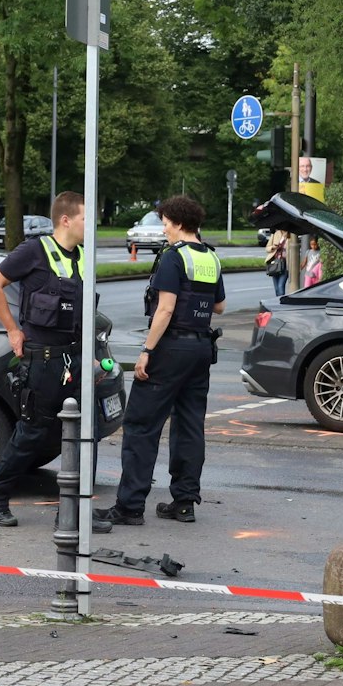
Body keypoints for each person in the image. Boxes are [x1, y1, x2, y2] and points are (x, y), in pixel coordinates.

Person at [95, 194, 224, 529]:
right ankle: (184, 503)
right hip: (200, 350)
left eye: (165, 222)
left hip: (170, 350)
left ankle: (130, 506)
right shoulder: (211, 257)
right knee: (189, 425)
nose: (164, 228)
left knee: (140, 424)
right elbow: (219, 306)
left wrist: (147, 351)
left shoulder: (173, 257)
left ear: (179, 223)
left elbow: (165, 309)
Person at [0, 191, 90, 527]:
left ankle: (72, 512)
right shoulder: (34, 251)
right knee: (32, 433)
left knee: (84, 435)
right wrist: (13, 330)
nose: (92, 227)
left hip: (75, 360)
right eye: (87, 219)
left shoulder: (84, 256)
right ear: (66, 220)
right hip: (42, 361)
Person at [264, 228, 291, 299]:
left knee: (280, 286)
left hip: (285, 264)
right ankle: (278, 303)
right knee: (276, 288)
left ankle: (282, 304)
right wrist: (273, 247)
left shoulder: (291, 235)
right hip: (275, 264)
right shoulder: (276, 234)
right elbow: (267, 248)